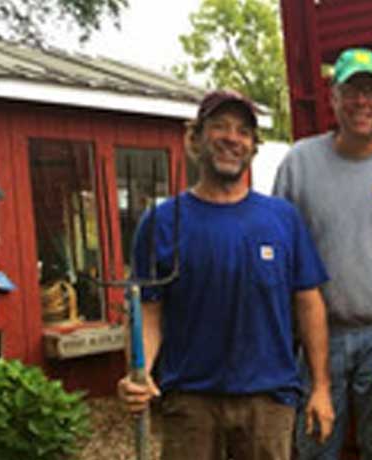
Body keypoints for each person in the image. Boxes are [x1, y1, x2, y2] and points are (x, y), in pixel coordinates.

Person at [117, 89, 335, 460]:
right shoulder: (162, 223)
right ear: (196, 138)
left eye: (243, 131)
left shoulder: (282, 219)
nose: (232, 138)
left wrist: (321, 388)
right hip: (190, 404)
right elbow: (147, 311)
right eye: (219, 127)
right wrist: (139, 372)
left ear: (253, 146)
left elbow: (309, 304)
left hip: (268, 404)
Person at [272, 48, 372, 460]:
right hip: (316, 337)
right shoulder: (299, 164)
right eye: (351, 90)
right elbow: (277, 257)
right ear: (333, 97)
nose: (362, 101)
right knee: (315, 448)